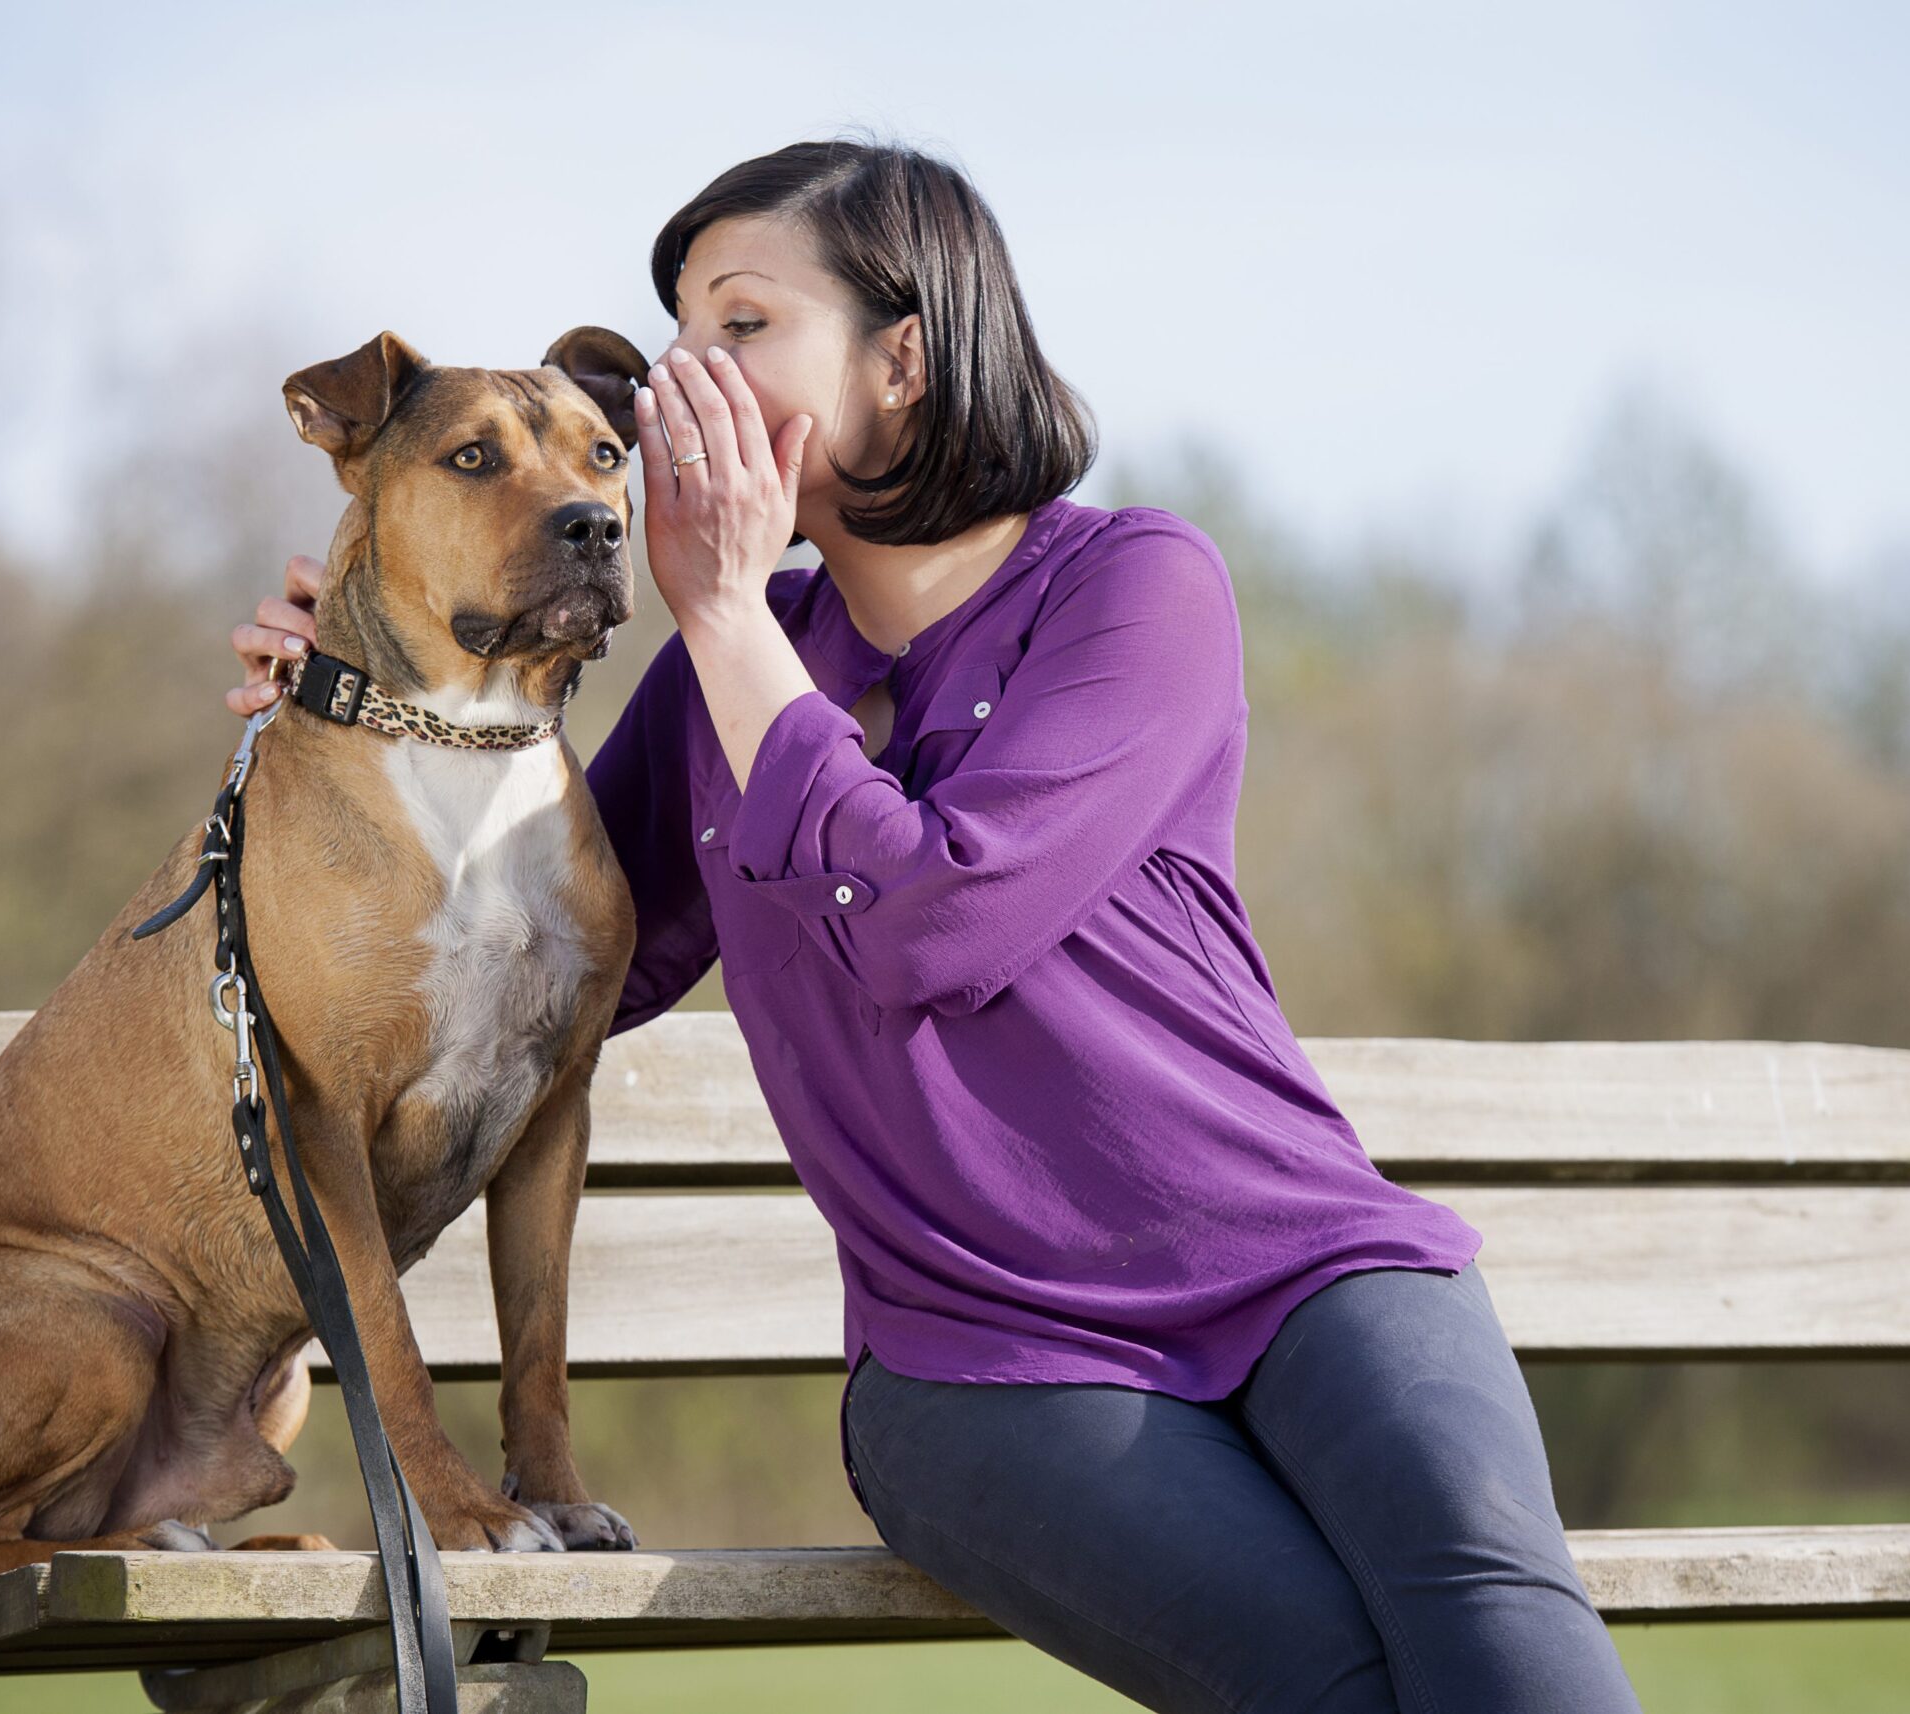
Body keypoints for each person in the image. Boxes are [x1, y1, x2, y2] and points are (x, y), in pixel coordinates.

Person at [230, 137, 1644, 1714]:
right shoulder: (721, 678)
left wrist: (722, 618)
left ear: (902, 361)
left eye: (743, 323)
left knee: (1507, 1650)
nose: (685, 377)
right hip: (974, 1365)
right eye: (681, 335)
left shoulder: (1134, 585)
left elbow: (937, 922)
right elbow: (530, 963)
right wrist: (379, 693)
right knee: (1341, 1688)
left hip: (1309, 1272)